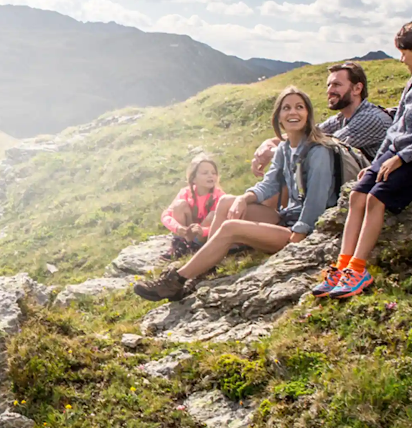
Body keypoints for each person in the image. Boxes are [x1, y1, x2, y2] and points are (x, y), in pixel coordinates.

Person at [134, 87, 338, 302]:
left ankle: (176, 281)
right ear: (278, 116)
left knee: (231, 228)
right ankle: (204, 266)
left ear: (308, 114)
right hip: (288, 217)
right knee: (225, 201)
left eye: (299, 107)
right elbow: (268, 186)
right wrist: (242, 199)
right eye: (286, 108)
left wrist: (299, 234)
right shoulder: (284, 149)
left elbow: (316, 200)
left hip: (308, 229)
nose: (292, 113)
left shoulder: (318, 151)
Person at [316, 18, 412, 299]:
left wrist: (402, 158)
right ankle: (342, 265)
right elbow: (397, 127)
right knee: (357, 196)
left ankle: (358, 270)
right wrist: (375, 163)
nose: (401, 59)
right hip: (393, 153)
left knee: (375, 199)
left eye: (404, 53)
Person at [251, 61, 391, 177]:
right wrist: (269, 142)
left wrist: (275, 152)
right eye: (328, 85)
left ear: (357, 89)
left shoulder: (371, 119)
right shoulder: (341, 118)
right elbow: (309, 134)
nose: (329, 91)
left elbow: (322, 148)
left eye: (336, 85)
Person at [160, 155, 224, 254]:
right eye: (205, 173)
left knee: (213, 215)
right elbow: (165, 215)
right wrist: (177, 227)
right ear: (193, 178)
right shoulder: (185, 192)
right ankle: (180, 245)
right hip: (186, 232)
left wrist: (203, 231)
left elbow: (225, 224)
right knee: (179, 205)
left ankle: (196, 247)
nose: (211, 176)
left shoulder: (220, 196)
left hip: (204, 237)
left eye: (213, 173)